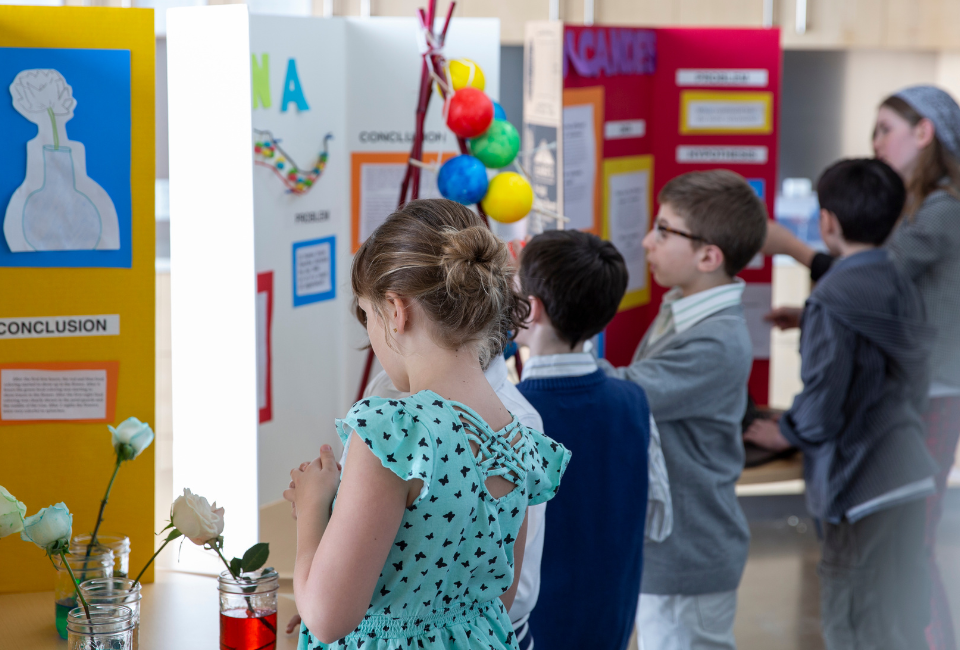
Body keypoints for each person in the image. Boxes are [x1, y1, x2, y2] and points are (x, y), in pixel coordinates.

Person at [284, 199, 571, 650]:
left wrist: (312, 507)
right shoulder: (521, 441)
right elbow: (500, 594)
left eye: (367, 316)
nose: (372, 337)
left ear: (396, 310)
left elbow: (326, 617)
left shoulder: (393, 433)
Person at [753, 85, 960, 650]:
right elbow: (878, 293)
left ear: (924, 133)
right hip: (904, 453)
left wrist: (793, 252)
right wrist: (819, 311)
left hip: (880, 466)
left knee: (889, 580)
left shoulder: (942, 210)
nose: (876, 141)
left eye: (885, 128)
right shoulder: (907, 234)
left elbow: (865, 277)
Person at [598, 170, 768, 650]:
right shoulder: (680, 304)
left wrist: (555, 348)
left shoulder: (716, 341)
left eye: (665, 230)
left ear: (709, 256)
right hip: (668, 549)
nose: (648, 241)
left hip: (688, 555)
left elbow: (628, 394)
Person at [779, 158, 937, 648]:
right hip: (909, 472)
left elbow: (823, 408)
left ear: (826, 222)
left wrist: (784, 429)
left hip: (857, 488)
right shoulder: (899, 278)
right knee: (900, 613)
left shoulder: (832, 298)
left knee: (852, 622)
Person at [512, 229, 651, 650]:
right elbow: (655, 517)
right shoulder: (633, 400)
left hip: (537, 633)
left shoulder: (511, 419)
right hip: (612, 622)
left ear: (530, 310)